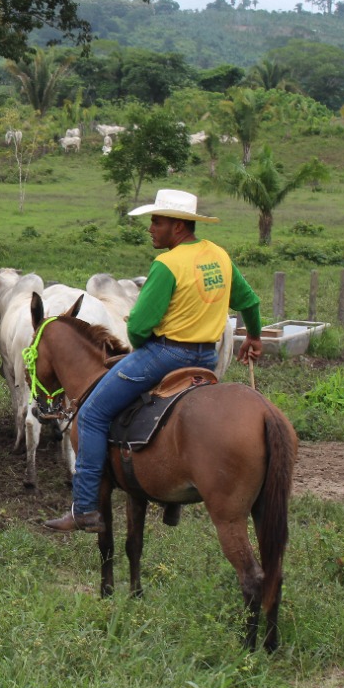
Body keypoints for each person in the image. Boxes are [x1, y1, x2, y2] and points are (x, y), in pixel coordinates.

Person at [45, 189, 264, 533]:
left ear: (177, 226)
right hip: (206, 358)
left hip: (166, 354)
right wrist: (254, 337)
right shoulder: (218, 255)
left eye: (157, 222)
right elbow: (249, 301)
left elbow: (138, 327)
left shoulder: (167, 265)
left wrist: (144, 345)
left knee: (92, 414)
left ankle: (84, 508)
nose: (151, 228)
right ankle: (170, 495)